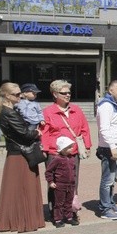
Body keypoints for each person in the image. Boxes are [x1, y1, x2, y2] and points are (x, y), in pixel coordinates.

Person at [0, 82, 46, 233]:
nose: (20, 96)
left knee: (21, 188)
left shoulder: (11, 110)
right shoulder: (8, 112)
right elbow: (25, 133)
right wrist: (37, 133)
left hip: (18, 153)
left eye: (20, 93)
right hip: (20, 155)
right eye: (17, 94)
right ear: (7, 96)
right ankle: (21, 220)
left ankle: (21, 219)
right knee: (22, 188)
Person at [41, 79, 91, 223]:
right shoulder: (48, 112)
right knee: (55, 184)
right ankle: (55, 213)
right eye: (64, 93)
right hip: (55, 153)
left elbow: (84, 129)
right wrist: (45, 150)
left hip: (72, 153)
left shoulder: (76, 109)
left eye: (69, 92)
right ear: (55, 94)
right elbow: (45, 133)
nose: (68, 95)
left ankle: (71, 211)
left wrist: (87, 146)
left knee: (72, 182)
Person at [95, 80, 117, 221]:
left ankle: (110, 203)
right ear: (110, 91)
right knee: (107, 180)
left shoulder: (114, 105)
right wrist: (113, 147)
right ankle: (105, 209)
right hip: (109, 148)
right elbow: (104, 128)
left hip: (115, 147)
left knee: (113, 179)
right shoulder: (106, 106)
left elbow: (112, 126)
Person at [45, 137, 78, 227]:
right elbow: (49, 171)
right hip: (60, 184)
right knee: (59, 203)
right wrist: (50, 181)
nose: (72, 148)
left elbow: (74, 170)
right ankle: (58, 219)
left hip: (70, 184)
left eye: (72, 146)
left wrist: (74, 180)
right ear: (63, 149)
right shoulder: (57, 159)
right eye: (69, 147)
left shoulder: (72, 158)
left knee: (69, 202)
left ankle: (69, 217)